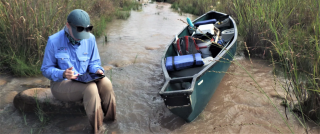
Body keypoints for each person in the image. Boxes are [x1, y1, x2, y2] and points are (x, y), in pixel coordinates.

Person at [40, 9, 116, 133]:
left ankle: (112, 123)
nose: (81, 39)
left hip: (85, 78)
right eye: (78, 33)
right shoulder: (53, 41)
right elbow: (45, 69)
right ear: (68, 25)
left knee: (106, 83)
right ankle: (100, 130)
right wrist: (63, 73)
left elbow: (94, 62)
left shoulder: (90, 38)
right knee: (90, 88)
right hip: (61, 83)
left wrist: (97, 70)